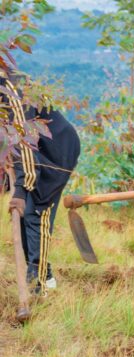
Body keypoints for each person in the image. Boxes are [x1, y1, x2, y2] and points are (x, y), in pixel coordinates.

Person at [5, 72, 81, 296]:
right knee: (23, 215)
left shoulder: (11, 89)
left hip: (56, 152)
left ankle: (36, 287)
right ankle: (45, 275)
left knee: (36, 212)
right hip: (30, 153)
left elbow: (24, 141)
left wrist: (20, 188)